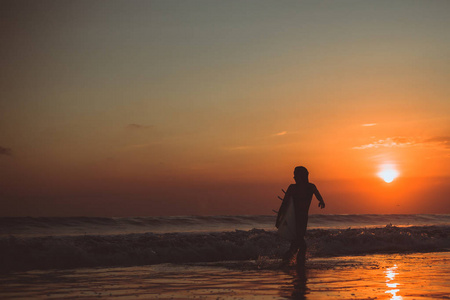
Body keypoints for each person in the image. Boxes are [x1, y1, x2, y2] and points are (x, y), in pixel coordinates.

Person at [276, 166, 325, 265]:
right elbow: (284, 204)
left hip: (303, 219)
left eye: (296, 174)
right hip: (294, 219)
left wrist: (321, 201)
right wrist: (278, 219)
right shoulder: (292, 188)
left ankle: (287, 263)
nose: (294, 177)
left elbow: (318, 194)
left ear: (302, 176)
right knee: (301, 244)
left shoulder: (310, 187)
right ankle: (298, 264)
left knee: (295, 245)